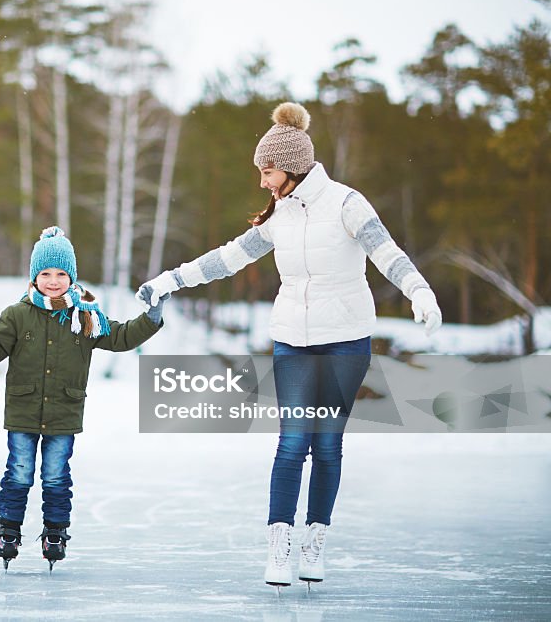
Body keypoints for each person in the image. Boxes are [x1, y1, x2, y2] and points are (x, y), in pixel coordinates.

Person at [137, 102, 442, 588]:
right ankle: (279, 548)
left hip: (345, 341)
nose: (262, 181)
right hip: (292, 342)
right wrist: (170, 280)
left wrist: (419, 292)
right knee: (292, 442)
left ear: (294, 166)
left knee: (327, 445)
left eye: (268, 170)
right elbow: (228, 258)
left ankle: (314, 543)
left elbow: (387, 253)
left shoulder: (346, 203)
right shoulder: (280, 214)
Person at [0, 226, 166, 570]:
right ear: (34, 276)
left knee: (57, 475)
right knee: (19, 472)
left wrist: (151, 318)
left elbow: (120, 336)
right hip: (24, 410)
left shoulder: (84, 315)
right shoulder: (17, 314)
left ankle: (55, 531)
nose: (53, 280)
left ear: (72, 277)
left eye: (61, 273)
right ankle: (8, 528)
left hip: (64, 411)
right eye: (45, 273)